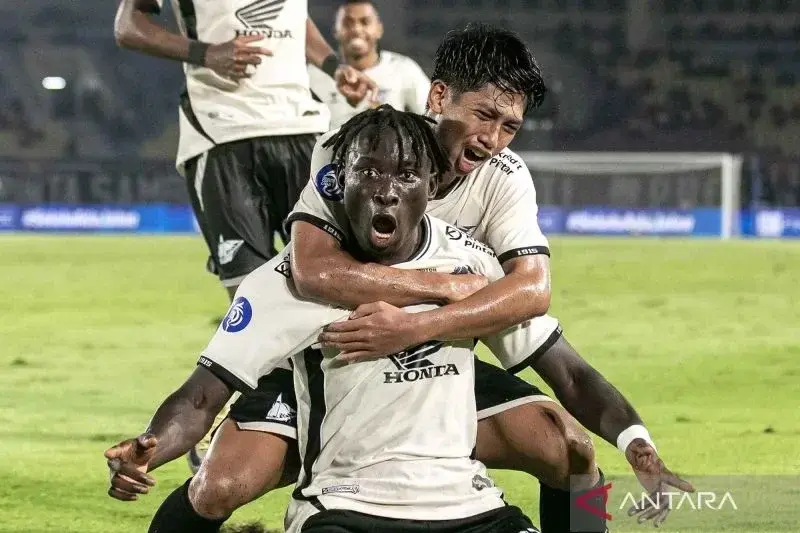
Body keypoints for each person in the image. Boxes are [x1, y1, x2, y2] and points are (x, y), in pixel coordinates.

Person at [178, 24, 692, 533]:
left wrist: (636, 442)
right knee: (219, 486)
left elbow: (533, 291)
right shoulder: (360, 151)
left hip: (434, 366)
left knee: (573, 451)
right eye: (484, 115)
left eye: (509, 126)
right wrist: (443, 284)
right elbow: (313, 271)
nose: (493, 139)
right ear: (439, 96)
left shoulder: (505, 180)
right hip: (334, 357)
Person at [105, 108, 542, 533]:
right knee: (218, 486)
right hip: (346, 500)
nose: (386, 190)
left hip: (468, 500)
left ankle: (584, 516)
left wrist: (616, 434)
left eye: (406, 175)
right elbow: (200, 396)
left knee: (573, 452)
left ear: (431, 188)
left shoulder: (473, 267)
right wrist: (150, 447)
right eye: (369, 173)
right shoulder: (289, 281)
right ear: (337, 182)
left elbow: (569, 372)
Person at [113, 0, 376, 298]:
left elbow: (292, 16)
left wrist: (332, 66)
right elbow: (128, 26)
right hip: (222, 131)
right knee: (250, 294)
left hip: (303, 128)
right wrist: (207, 53)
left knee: (334, 281)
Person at [307, 0, 430, 128]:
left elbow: (432, 118)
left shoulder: (404, 69)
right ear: (335, 30)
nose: (356, 29)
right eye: (347, 23)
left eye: (364, 22)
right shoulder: (314, 75)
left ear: (379, 29)